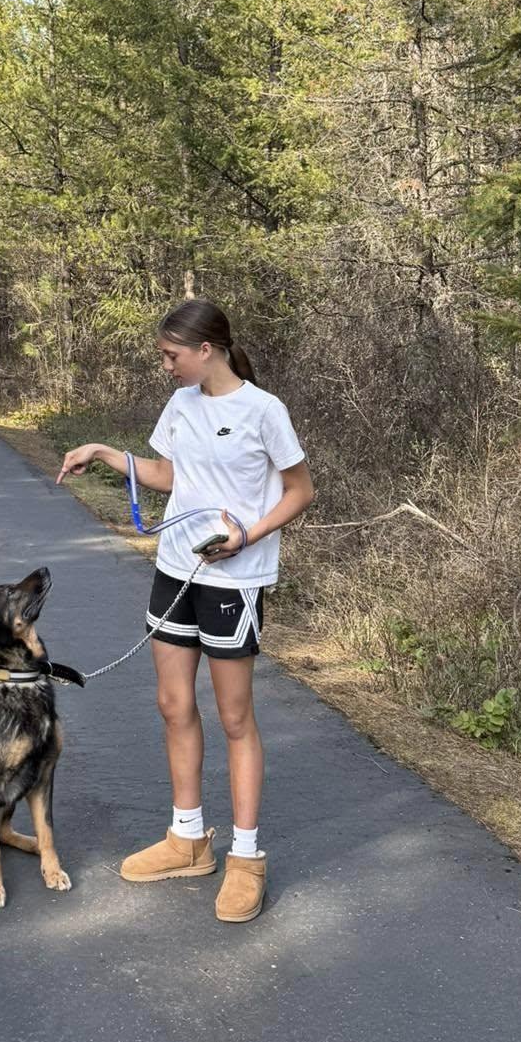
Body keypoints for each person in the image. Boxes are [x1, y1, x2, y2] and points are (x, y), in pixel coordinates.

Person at [56, 298, 314, 922]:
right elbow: (169, 476)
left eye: (172, 355)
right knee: (173, 705)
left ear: (207, 349)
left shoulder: (263, 410)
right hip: (176, 569)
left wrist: (246, 536)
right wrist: (102, 452)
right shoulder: (181, 404)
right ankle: (188, 839)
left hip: (236, 579)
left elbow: (300, 490)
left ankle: (245, 857)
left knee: (233, 717)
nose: (165, 366)